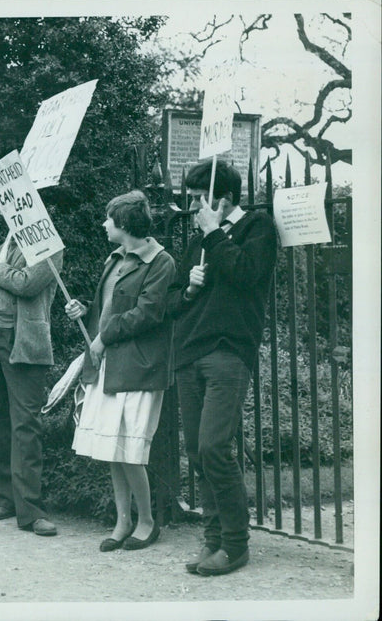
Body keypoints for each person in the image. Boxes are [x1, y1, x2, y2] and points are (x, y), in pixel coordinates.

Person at [169, 159, 277, 576]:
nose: (193, 206)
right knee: (197, 450)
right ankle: (213, 540)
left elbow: (248, 274)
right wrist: (190, 288)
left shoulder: (257, 227)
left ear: (223, 198)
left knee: (215, 446)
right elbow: (171, 301)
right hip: (190, 353)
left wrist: (215, 233)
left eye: (198, 199)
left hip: (229, 351)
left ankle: (235, 544)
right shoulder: (197, 240)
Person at [64, 190, 176, 553]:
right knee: (113, 447)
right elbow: (109, 306)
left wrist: (103, 337)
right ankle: (122, 520)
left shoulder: (161, 262)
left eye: (108, 219)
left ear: (124, 223)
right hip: (110, 364)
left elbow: (148, 313)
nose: (103, 224)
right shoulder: (115, 259)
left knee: (130, 449)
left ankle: (146, 520)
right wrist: (85, 310)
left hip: (139, 366)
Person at [0, 237, 63, 537]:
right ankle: (7, 497)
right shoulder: (6, 240)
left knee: (25, 423)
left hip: (23, 341)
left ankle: (31, 510)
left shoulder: (49, 245)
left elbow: (26, 283)